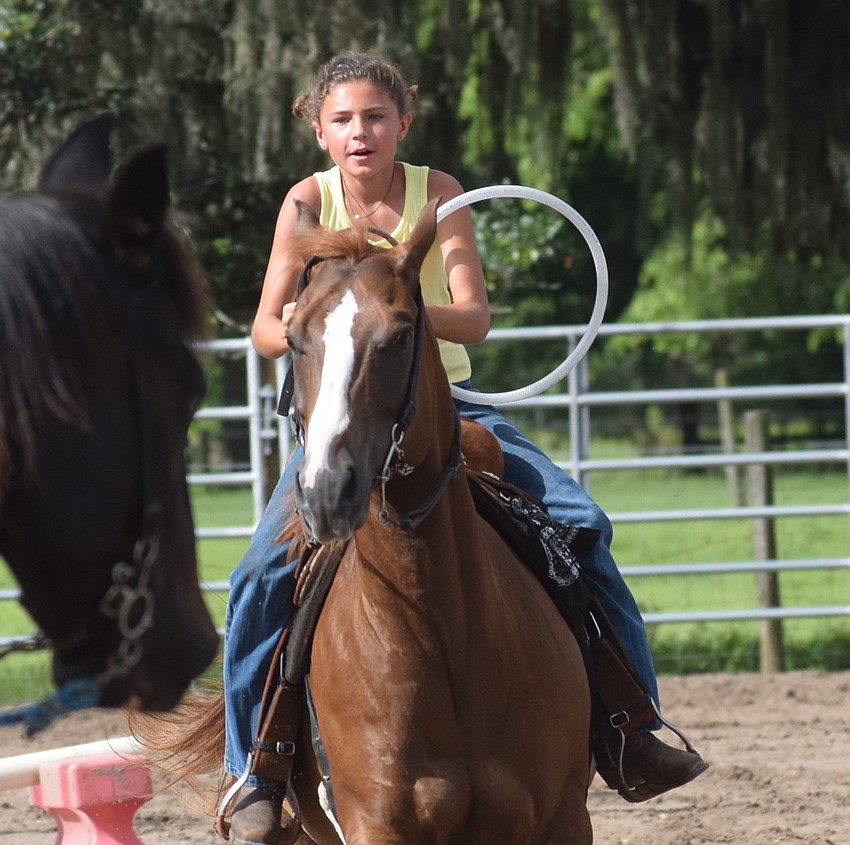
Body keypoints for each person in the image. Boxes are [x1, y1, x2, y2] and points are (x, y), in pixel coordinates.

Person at [223, 51, 707, 845]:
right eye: (342, 119)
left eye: (375, 117)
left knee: (582, 521)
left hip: (451, 400)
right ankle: (256, 768)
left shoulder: (439, 193)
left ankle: (632, 726)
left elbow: (474, 317)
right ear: (319, 129)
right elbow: (265, 329)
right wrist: (339, 316)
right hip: (346, 410)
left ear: (403, 123)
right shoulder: (306, 205)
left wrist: (398, 303)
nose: (360, 132)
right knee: (257, 574)